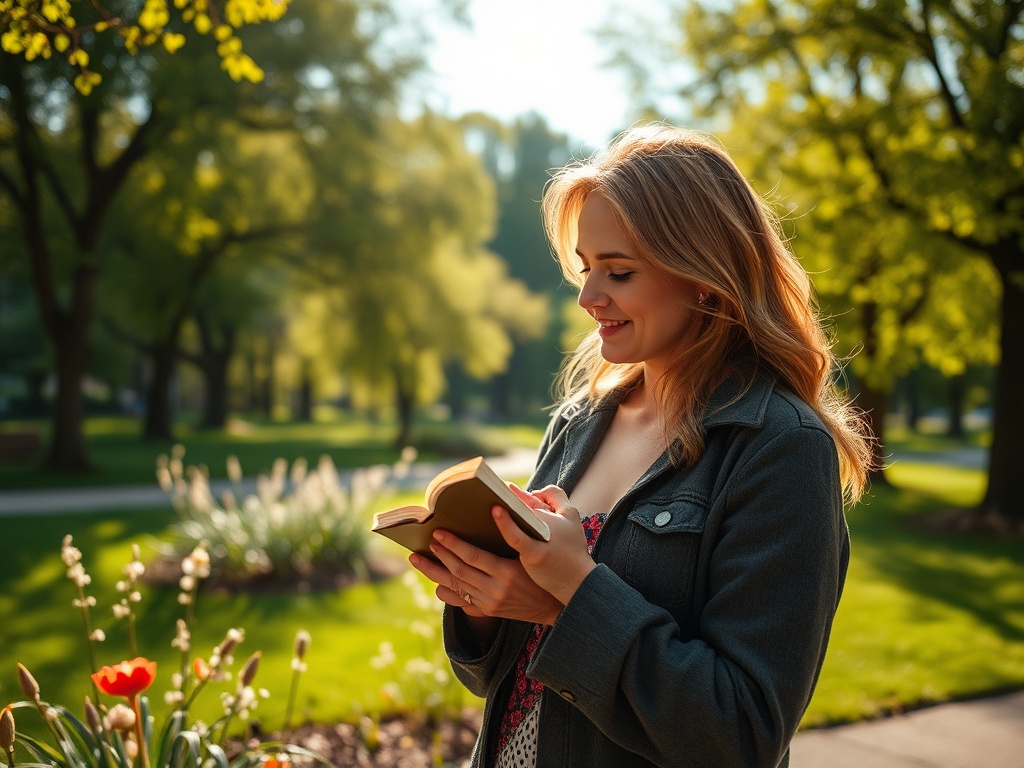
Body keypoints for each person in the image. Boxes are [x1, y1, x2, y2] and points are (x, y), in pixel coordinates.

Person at [410, 124, 873, 768]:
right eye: (585, 268)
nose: (587, 297)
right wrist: (487, 605)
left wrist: (574, 587)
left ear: (703, 278)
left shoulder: (780, 448)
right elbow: (504, 687)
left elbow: (740, 733)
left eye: (618, 272)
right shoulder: (579, 421)